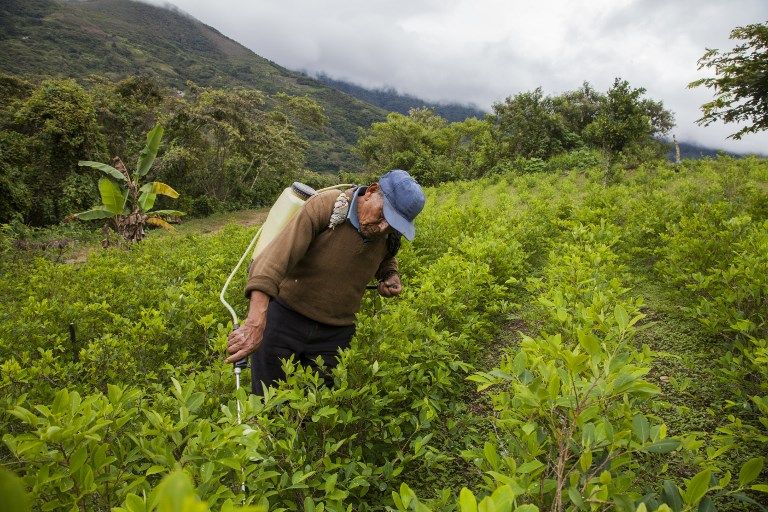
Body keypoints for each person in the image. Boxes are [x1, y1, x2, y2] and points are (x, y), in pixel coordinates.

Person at [225, 169, 426, 395]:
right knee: (267, 399)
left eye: (393, 225)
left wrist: (390, 274)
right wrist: (255, 322)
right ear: (370, 192)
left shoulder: (387, 233)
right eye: (383, 215)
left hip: (336, 334)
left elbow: (387, 257)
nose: (382, 228)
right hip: (284, 320)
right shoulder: (326, 207)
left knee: (316, 405)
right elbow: (272, 263)